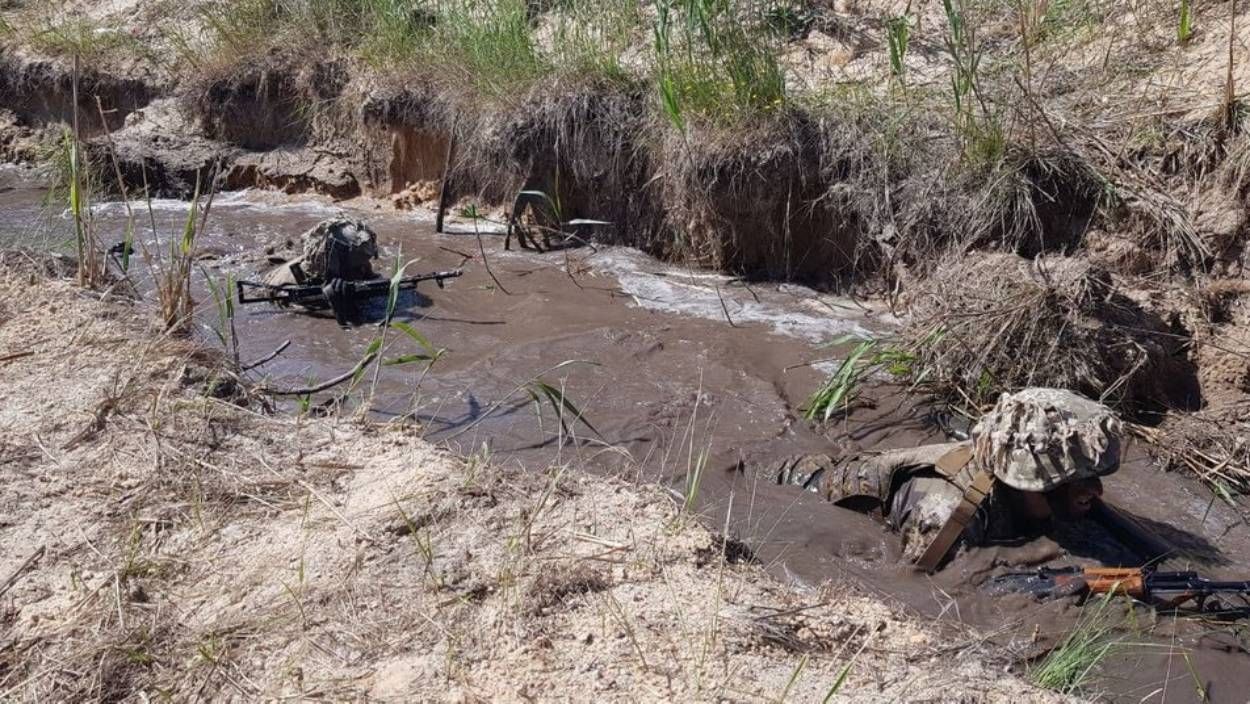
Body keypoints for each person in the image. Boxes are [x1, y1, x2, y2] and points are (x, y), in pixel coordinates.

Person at [769, 388, 1123, 572]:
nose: (1097, 490)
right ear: (1034, 479)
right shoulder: (948, 513)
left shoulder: (1019, 477)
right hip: (797, 485)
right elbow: (919, 584)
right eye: (1081, 479)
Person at [264, 218, 380, 325]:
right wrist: (341, 308)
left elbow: (374, 281)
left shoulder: (354, 262)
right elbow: (306, 313)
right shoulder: (290, 290)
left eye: (364, 261)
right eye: (356, 266)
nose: (363, 269)